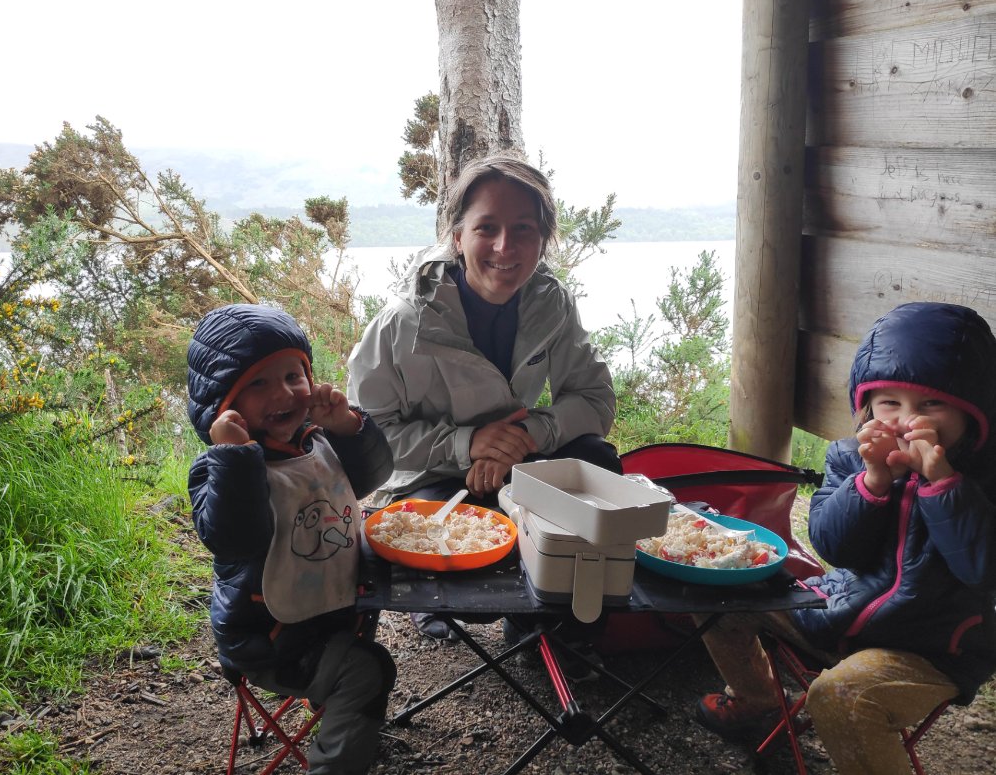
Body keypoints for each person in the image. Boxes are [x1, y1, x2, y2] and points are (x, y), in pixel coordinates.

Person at [693, 302, 996, 775]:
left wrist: (941, 483)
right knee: (711, 581)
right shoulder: (850, 458)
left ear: (973, 411)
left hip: (931, 647)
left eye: (931, 404)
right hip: (841, 611)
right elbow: (832, 547)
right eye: (890, 403)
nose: (905, 421)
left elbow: (980, 566)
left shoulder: (984, 479)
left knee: (840, 697)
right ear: (867, 405)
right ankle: (759, 698)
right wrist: (872, 481)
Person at [346, 152, 624, 643]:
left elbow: (595, 400)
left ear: (542, 240)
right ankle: (447, 598)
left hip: (522, 463)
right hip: (433, 478)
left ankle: (544, 627)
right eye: (486, 228)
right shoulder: (405, 321)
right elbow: (368, 437)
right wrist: (468, 444)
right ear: (457, 237)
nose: (504, 246)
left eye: (523, 229)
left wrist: (524, 436)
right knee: (461, 572)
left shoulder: (550, 303)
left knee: (597, 464)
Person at [186, 303, 396, 775]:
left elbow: (372, 475)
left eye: (292, 376)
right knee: (368, 671)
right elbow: (235, 538)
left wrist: (347, 426)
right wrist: (234, 457)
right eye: (257, 384)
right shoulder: (219, 469)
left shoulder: (317, 443)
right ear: (223, 404)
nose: (282, 393)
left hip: (338, 614)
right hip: (271, 638)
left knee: (361, 649)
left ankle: (338, 716)